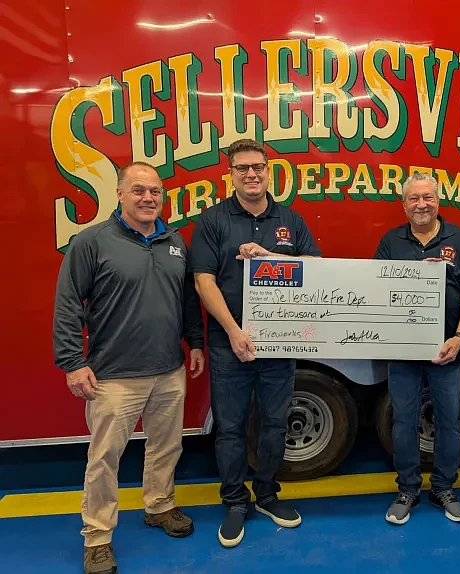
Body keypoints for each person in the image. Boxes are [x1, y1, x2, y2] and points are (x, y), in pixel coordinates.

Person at [53, 162, 205, 574]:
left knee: (166, 447)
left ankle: (159, 506)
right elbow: (68, 305)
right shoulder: (92, 242)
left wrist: (195, 342)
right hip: (113, 376)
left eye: (155, 191)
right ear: (119, 193)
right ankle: (98, 537)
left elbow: (188, 300)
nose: (148, 198)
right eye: (138, 190)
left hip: (168, 370)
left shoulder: (174, 241)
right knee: (104, 459)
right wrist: (72, 362)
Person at [190, 138, 322, 548]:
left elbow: (315, 269)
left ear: (269, 171)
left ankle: (266, 493)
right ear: (230, 174)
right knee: (229, 426)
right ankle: (234, 501)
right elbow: (203, 280)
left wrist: (269, 257)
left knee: (275, 422)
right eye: (242, 167)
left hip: (280, 343)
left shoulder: (291, 220)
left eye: (258, 167)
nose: (251, 174)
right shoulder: (213, 220)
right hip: (231, 343)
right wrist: (233, 330)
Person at [374, 172, 460, 525]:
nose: (422, 204)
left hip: (446, 350)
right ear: (404, 204)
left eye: (428, 197)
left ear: (438, 200)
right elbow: (371, 290)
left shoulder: (459, 239)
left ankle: (443, 488)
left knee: (449, 421)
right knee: (403, 420)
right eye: (414, 198)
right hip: (402, 351)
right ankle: (407, 489)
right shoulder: (391, 242)